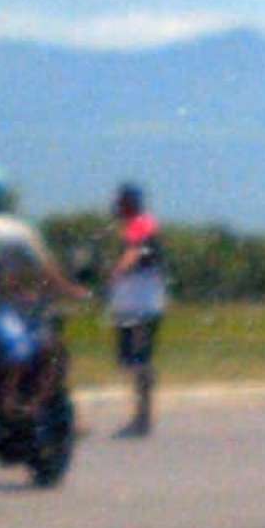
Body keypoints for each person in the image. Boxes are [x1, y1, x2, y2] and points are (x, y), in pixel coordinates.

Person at [0, 161, 90, 416]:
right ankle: (17, 403)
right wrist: (73, 291)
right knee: (42, 348)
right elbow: (46, 270)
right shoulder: (17, 230)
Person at [108, 183, 167, 438]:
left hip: (142, 303)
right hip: (133, 302)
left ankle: (142, 417)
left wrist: (118, 270)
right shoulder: (134, 225)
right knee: (131, 360)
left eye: (120, 202)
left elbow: (134, 250)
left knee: (139, 359)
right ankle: (141, 415)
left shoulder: (141, 223)